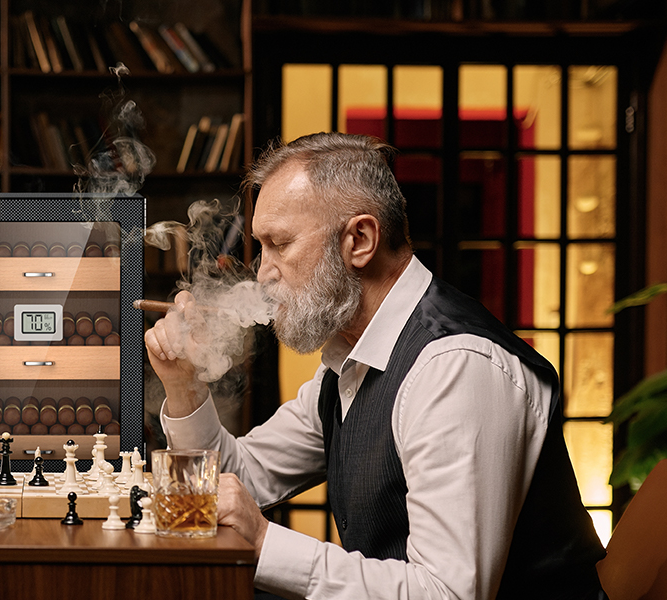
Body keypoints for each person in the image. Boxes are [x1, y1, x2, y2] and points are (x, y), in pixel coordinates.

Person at [145, 132, 604, 600]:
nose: (262, 273)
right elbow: (244, 475)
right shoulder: (350, 360)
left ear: (359, 240)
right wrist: (184, 387)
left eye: (279, 244)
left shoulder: (454, 367)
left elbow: (445, 593)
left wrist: (264, 541)